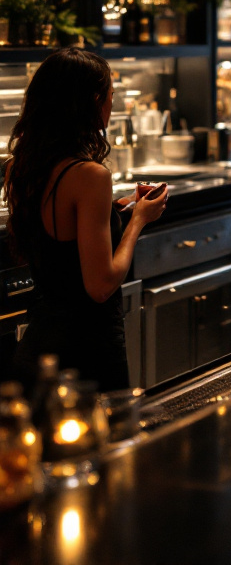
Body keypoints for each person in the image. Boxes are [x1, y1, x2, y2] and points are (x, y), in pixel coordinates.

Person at [4, 48, 168, 393]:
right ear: (93, 100)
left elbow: (60, 233)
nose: (111, 106)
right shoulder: (90, 175)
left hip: (40, 343)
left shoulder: (21, 167)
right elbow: (101, 285)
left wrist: (114, 212)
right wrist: (139, 219)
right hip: (86, 352)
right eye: (110, 97)